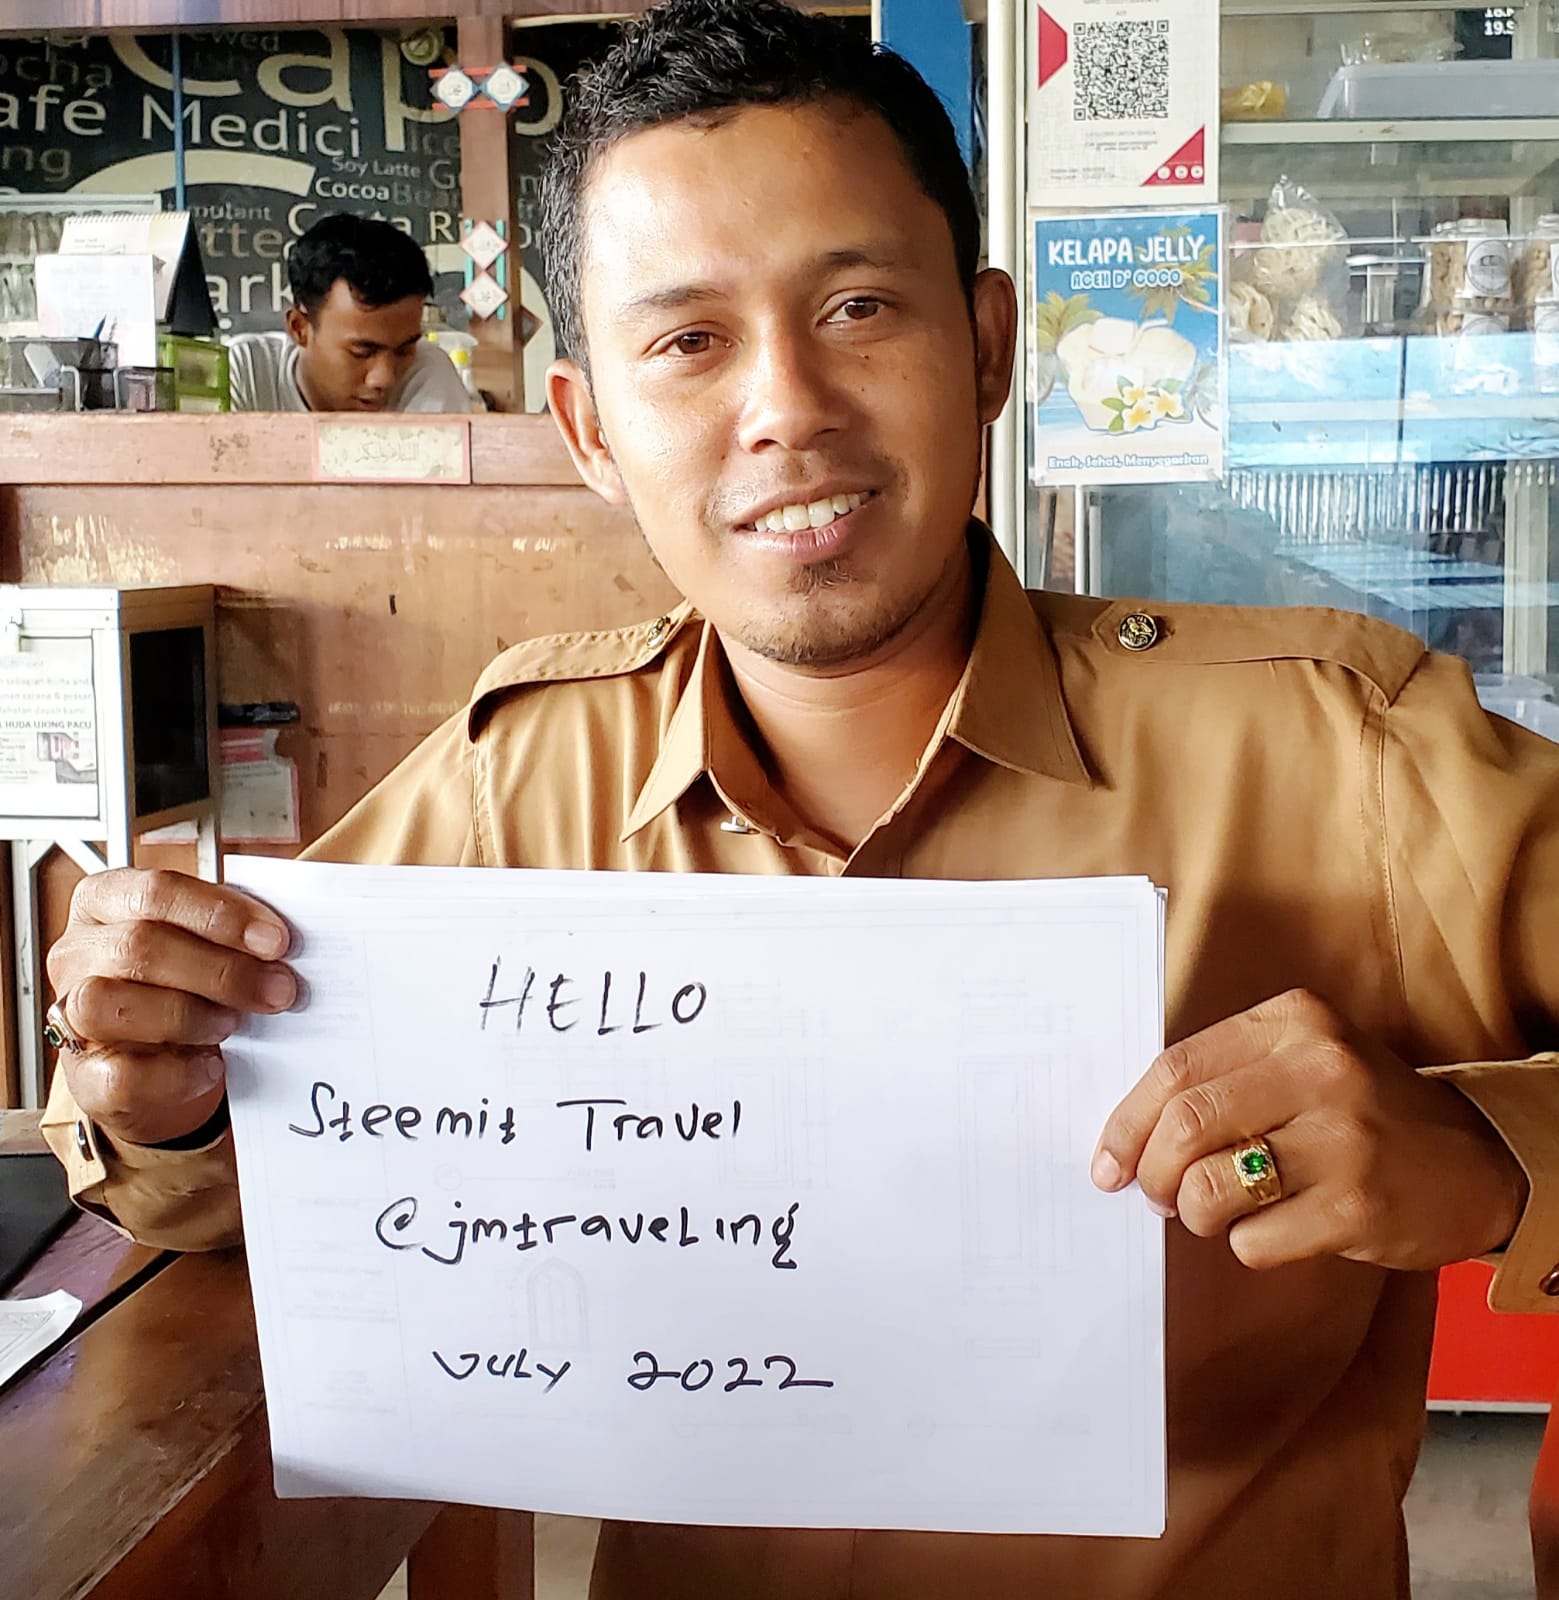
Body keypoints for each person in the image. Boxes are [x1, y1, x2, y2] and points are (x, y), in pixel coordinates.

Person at [38, 2, 1559, 1595]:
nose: (786, 408)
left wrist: (1485, 1154)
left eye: (855, 307)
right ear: (589, 431)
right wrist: (165, 1086)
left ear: (985, 346)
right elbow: (234, 1164)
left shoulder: (1342, 755)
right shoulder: (516, 789)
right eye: (686, 342)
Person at [226, 212, 470, 414]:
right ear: (300, 328)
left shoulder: (428, 373)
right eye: (362, 352)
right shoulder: (243, 371)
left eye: (404, 350)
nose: (384, 379)